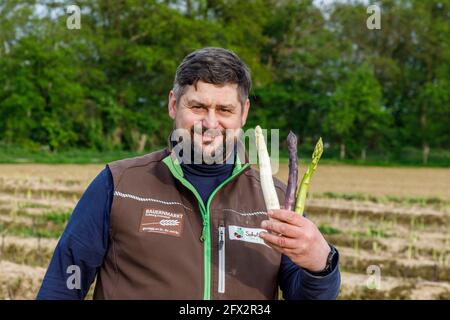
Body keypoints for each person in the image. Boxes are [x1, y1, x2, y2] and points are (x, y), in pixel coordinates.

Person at [37, 47, 340, 300]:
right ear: (173, 104)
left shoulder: (272, 200)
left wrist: (321, 266)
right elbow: (63, 285)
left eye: (224, 110)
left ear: (244, 113)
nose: (210, 123)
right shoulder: (118, 184)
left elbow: (304, 295)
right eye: (197, 106)